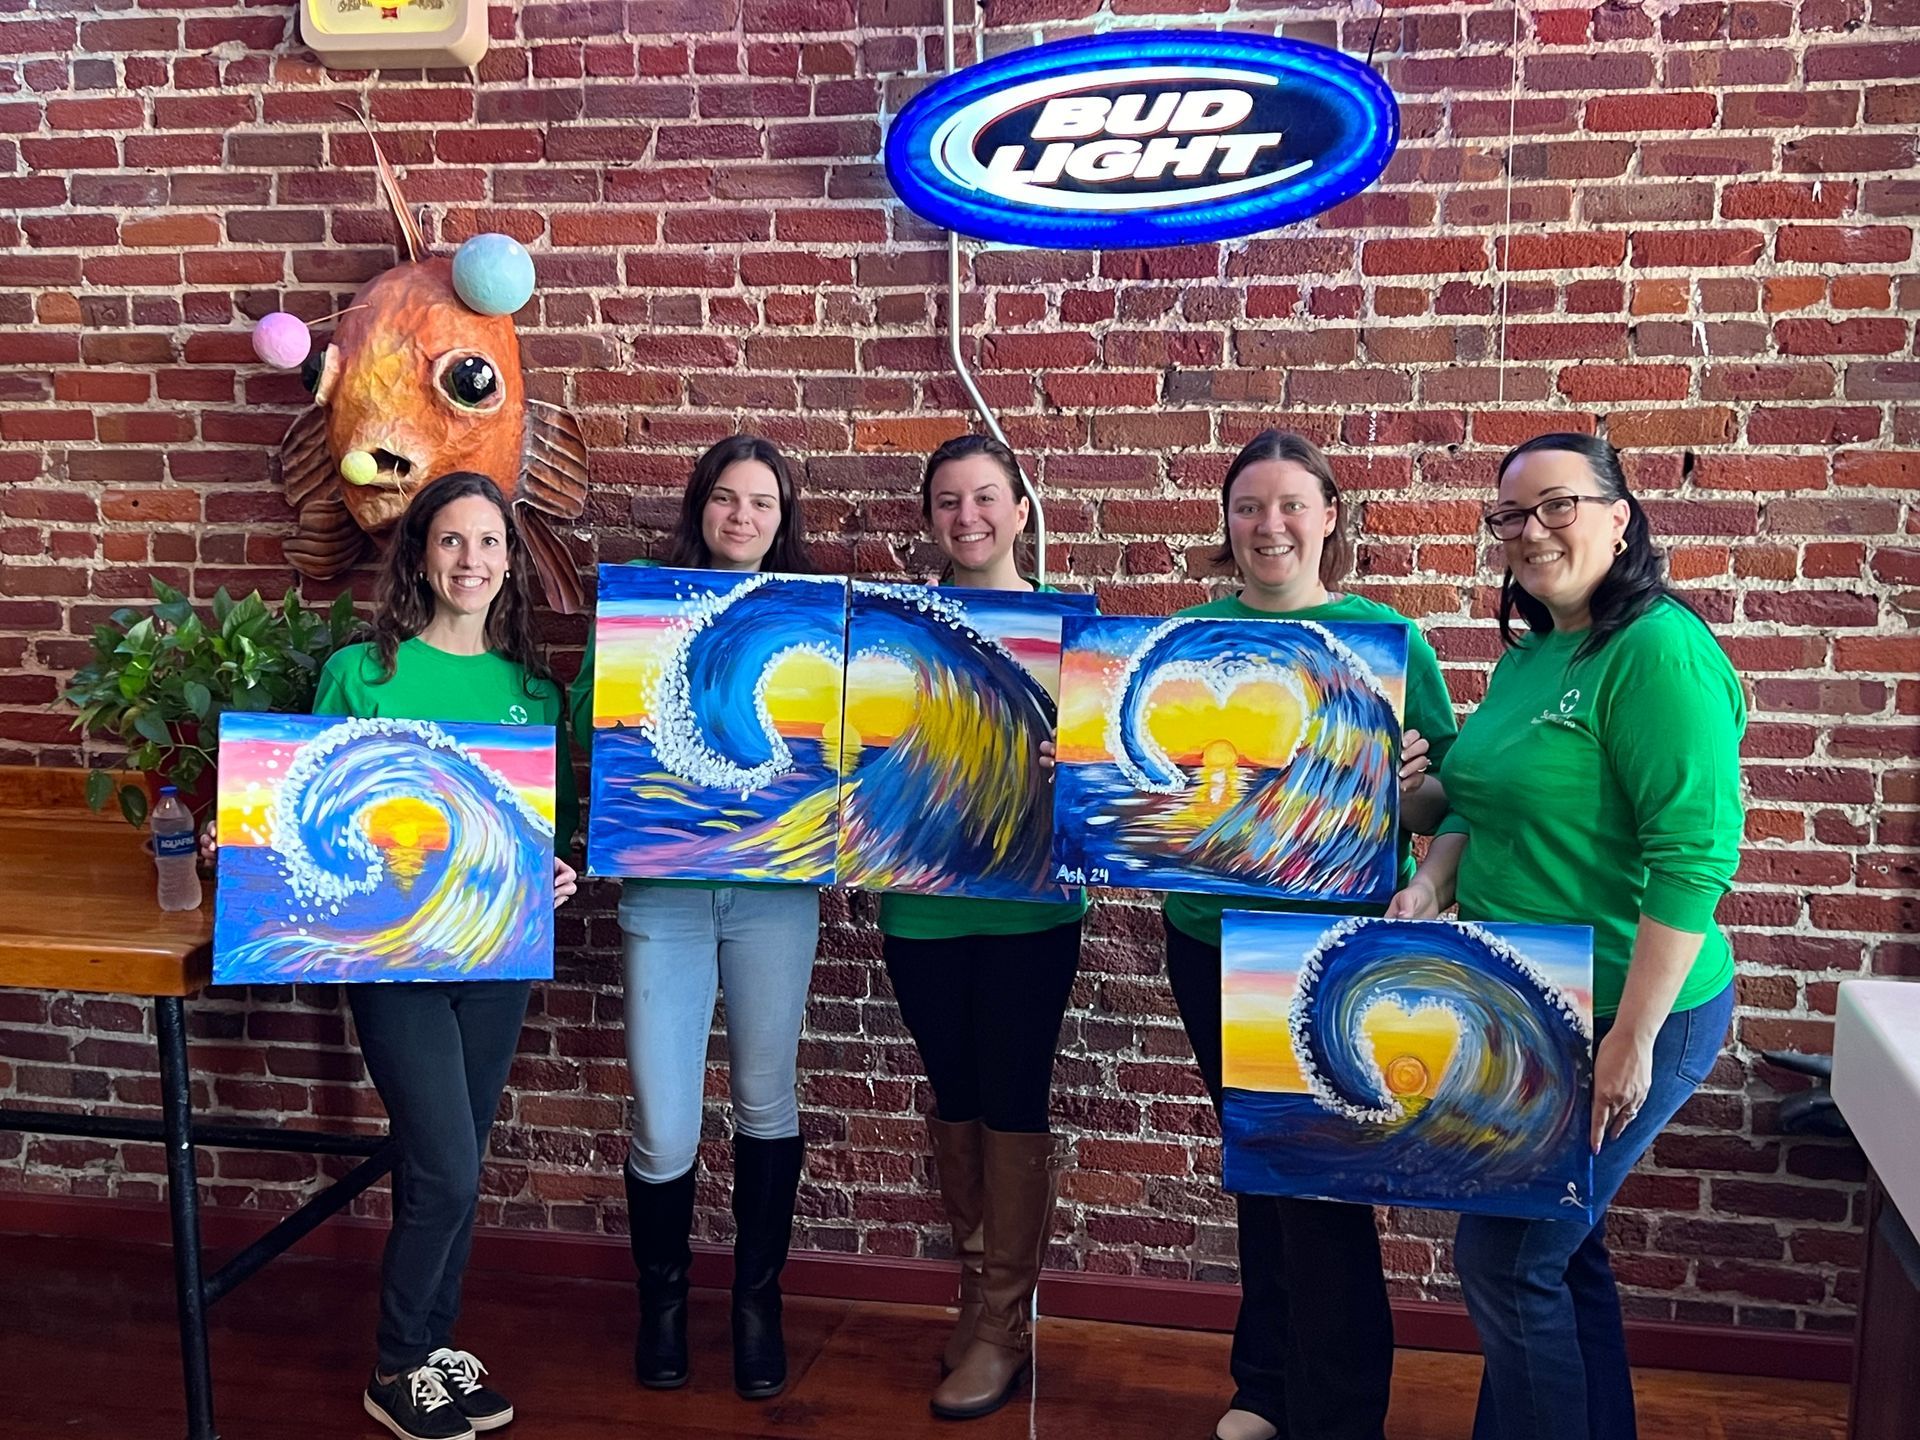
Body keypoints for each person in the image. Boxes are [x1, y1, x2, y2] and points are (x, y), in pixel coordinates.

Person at [205, 471, 580, 1440]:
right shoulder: (360, 675)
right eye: (451, 541)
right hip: (390, 964)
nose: (472, 561)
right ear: (420, 554)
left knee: (450, 1158)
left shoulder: (534, 692)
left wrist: (557, 876)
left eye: (490, 543)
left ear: (512, 560)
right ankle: (398, 1363)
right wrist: (238, 838)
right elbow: (299, 808)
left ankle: (435, 1343)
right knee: (448, 1167)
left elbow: (541, 837)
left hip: (494, 965)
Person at [1387, 433, 1742, 1440]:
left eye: (1558, 506)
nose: (1531, 531)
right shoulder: (1537, 654)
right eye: (1511, 516)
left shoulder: (1657, 652)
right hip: (1534, 998)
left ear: (1621, 517)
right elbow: (1476, 804)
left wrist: (1629, 1039)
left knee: (1506, 1260)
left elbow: (1694, 859)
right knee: (1559, 1249)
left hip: (1634, 1005)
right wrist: (1427, 854)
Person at [1160, 430, 1456, 1440]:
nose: (1269, 525)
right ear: (1226, 525)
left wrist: (1416, 785)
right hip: (1209, 937)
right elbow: (1157, 793)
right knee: (1259, 1168)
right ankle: (1265, 1385)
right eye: (1248, 507)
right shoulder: (1187, 633)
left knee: (1323, 1192)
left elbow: (1442, 814)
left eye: (1291, 504)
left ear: (1332, 515)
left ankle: (1337, 1413)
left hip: (1331, 954)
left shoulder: (1388, 641)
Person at [567, 434, 822, 1402]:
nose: (743, 517)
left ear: (782, 519)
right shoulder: (636, 613)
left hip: (773, 898)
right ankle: (661, 1302)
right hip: (662, 898)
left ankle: (757, 1303)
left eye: (762, 502)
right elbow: (600, 732)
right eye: (725, 498)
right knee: (665, 1125)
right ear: (699, 509)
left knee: (767, 1099)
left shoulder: (813, 620)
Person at [868, 434, 1087, 1421]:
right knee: (953, 1093)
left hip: (1030, 909)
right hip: (919, 905)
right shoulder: (885, 627)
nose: (968, 518)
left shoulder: (1071, 628)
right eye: (948, 501)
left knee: (1013, 1098)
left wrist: (1071, 766)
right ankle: (976, 1290)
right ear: (928, 518)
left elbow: (1112, 789)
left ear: (1022, 507)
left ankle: (1003, 1323)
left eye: (987, 497)